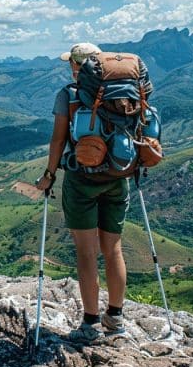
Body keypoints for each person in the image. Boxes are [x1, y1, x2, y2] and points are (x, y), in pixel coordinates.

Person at [36, 42, 129, 339]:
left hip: (81, 181)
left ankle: (90, 323)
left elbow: (58, 140)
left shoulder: (69, 95)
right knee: (113, 249)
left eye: (72, 63)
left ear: (77, 65)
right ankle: (115, 319)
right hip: (117, 177)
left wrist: (49, 175)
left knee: (86, 253)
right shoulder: (121, 92)